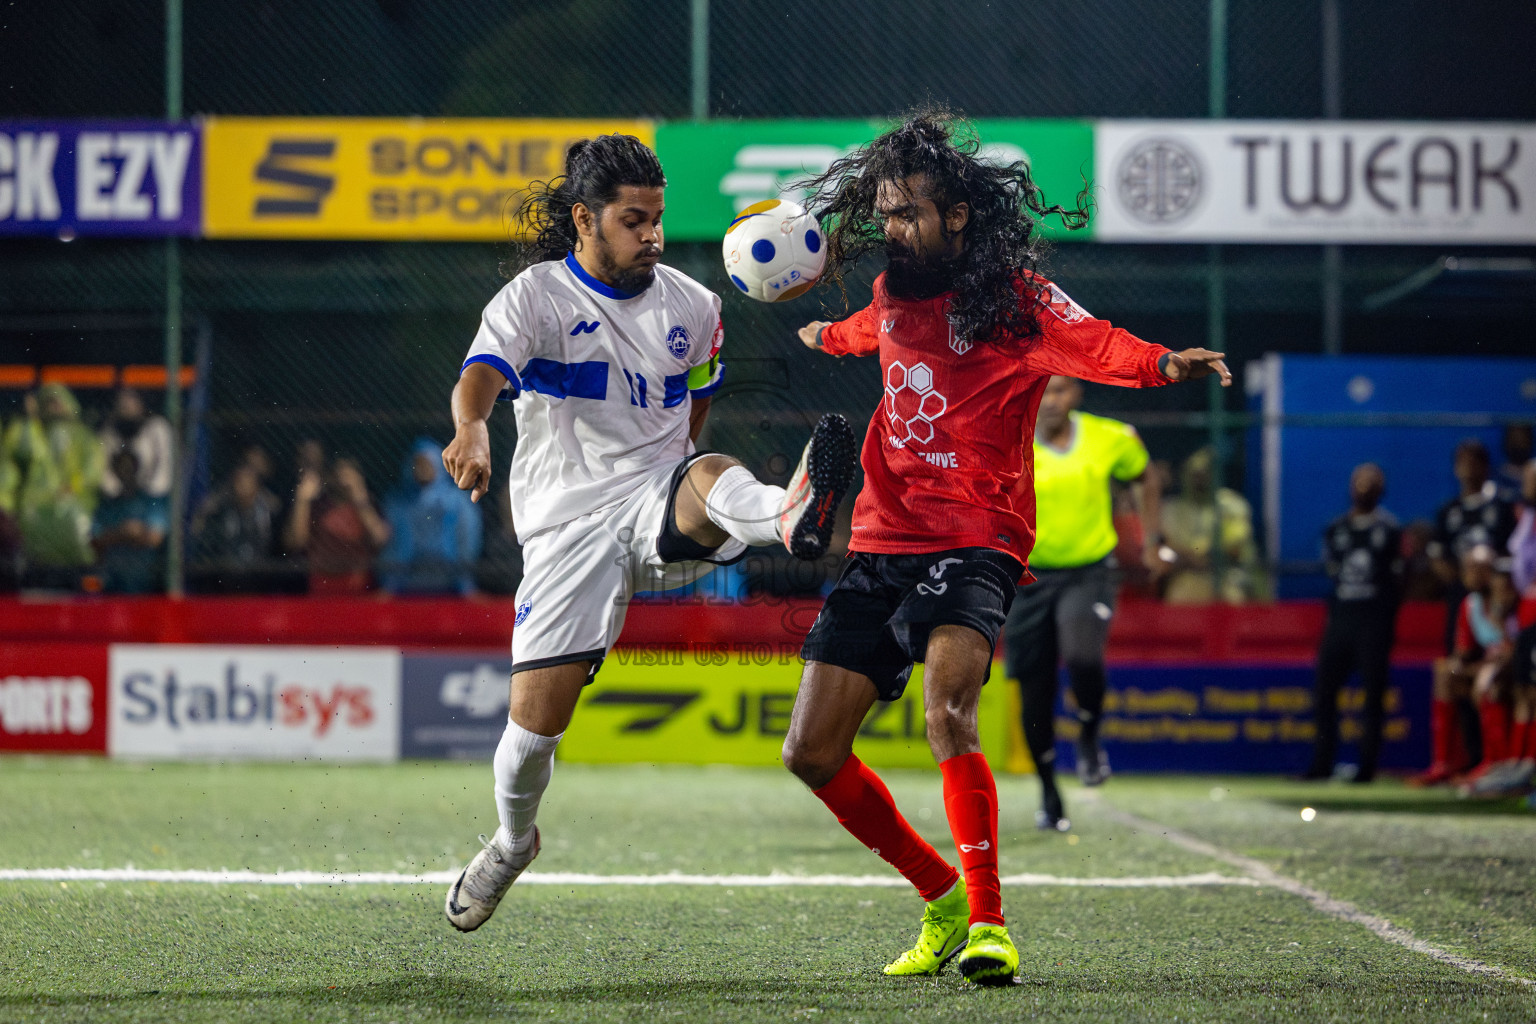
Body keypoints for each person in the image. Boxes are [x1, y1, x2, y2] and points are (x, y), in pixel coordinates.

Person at [783, 110, 1229, 986]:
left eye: (908, 212)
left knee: (947, 711)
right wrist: (823, 334)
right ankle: (942, 896)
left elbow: (1094, 341)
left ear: (955, 215)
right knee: (810, 752)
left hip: (977, 533)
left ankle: (989, 922)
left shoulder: (1014, 299)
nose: (894, 228)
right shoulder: (889, 293)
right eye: (884, 212)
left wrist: (1163, 365)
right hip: (882, 532)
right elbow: (869, 333)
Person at [438, 134, 858, 935]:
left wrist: (673, 466)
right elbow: (482, 374)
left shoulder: (697, 306)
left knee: (706, 469)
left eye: (658, 221)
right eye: (634, 221)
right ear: (583, 221)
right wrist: (473, 429)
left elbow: (693, 413)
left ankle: (789, 513)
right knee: (532, 736)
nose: (653, 237)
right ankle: (512, 841)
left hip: (658, 497)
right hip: (565, 528)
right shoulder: (535, 297)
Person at [1002, 375, 1163, 832]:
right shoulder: (1007, 438)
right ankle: (1049, 790)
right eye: (1044, 391)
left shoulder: (1109, 437)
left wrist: (1153, 540)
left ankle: (1089, 732)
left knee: (1082, 656)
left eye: (1062, 390)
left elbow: (1146, 475)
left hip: (1089, 572)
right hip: (1026, 577)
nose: (1052, 400)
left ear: (1078, 394)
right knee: (1034, 690)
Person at [1300, 464, 1402, 784]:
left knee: (1372, 696)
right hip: (1341, 620)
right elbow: (1333, 571)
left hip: (1373, 622)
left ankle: (1366, 769)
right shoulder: (1336, 529)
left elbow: (1398, 579)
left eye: (1373, 482)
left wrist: (1384, 618)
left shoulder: (1389, 530)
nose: (1364, 487)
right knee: (1324, 692)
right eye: (1359, 480)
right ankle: (1321, 764)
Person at [1411, 546, 1516, 786]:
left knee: (1488, 678)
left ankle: (1495, 763)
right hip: (1487, 666)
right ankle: (1444, 764)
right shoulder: (1471, 604)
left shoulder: (1511, 600)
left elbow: (1516, 650)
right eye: (1468, 569)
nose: (1473, 575)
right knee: (1445, 674)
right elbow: (1465, 651)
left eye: (1480, 569)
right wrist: (1456, 665)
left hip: (1512, 671)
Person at [0, 384, 104, 582]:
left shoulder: (84, 436)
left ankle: (78, 572)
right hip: (36, 501)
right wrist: (30, 420)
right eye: (48, 403)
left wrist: (73, 486)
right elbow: (24, 451)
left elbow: (92, 468)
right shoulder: (34, 430)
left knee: (76, 524)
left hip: (74, 499)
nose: (54, 408)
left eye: (58, 403)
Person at [380, 438, 483, 596]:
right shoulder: (398, 502)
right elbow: (394, 543)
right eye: (418, 463)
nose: (422, 469)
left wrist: (465, 584)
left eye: (427, 463)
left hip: (451, 582)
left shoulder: (458, 502)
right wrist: (390, 585)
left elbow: (467, 541)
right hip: (406, 583)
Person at [1158, 447, 1261, 604]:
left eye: (1204, 474)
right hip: (1183, 582)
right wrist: (1190, 557)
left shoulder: (1232, 504)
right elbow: (1164, 550)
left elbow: (1233, 549)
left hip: (1225, 579)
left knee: (1233, 594)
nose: (1199, 480)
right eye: (1194, 475)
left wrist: (1192, 556)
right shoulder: (1169, 509)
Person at [283, 456, 391, 593]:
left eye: (349, 475)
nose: (343, 480)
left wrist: (360, 499)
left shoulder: (368, 506)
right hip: (322, 584)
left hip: (358, 586)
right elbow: (296, 542)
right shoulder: (318, 506)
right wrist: (302, 501)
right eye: (340, 474)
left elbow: (380, 538)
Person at [189, 461, 283, 592]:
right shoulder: (223, 511)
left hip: (261, 577)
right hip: (227, 577)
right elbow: (202, 517)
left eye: (247, 481)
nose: (242, 485)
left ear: (256, 486)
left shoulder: (268, 512)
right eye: (238, 481)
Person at [91, 450, 168, 593]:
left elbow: (155, 537)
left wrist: (118, 536)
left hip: (146, 584)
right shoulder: (108, 505)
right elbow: (95, 540)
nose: (126, 472)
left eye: (130, 468)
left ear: (137, 469)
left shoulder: (149, 502)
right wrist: (124, 533)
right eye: (122, 468)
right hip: (111, 584)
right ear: (115, 471)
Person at [99, 388, 174, 499]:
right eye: (122, 402)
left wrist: (147, 488)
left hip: (151, 499)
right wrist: (117, 488)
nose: (126, 405)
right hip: (118, 501)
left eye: (131, 399)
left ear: (141, 402)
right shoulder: (108, 434)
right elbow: (106, 482)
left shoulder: (156, 428)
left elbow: (161, 482)